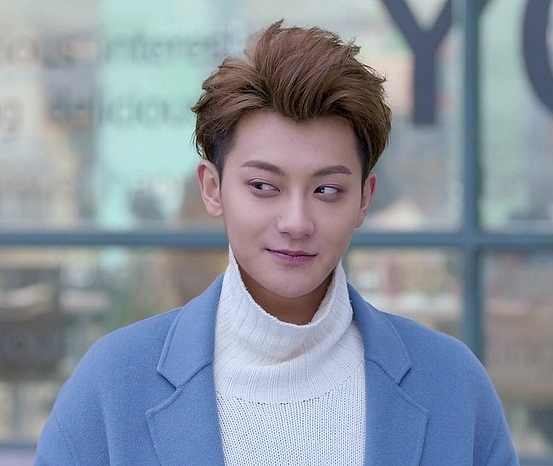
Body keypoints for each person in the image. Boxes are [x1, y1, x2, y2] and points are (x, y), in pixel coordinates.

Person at [35, 20, 517, 465]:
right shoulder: (113, 385)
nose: (296, 222)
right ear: (211, 188)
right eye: (264, 186)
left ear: (365, 199)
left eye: (327, 190)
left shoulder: (452, 385)